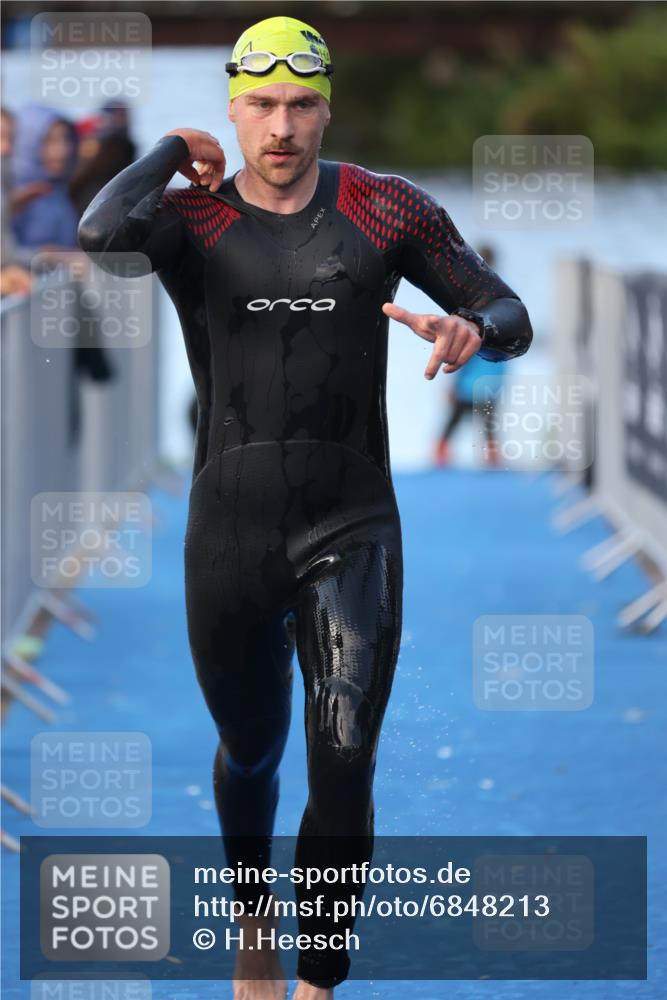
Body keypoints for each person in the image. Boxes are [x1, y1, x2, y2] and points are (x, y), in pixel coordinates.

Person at [78, 15, 533, 999]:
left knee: (345, 751)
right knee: (252, 752)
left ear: (327, 110)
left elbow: (510, 314)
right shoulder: (190, 217)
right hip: (229, 534)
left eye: (300, 105)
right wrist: (170, 147)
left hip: (351, 524)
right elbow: (100, 232)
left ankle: (319, 980)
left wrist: (471, 327)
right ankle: (254, 920)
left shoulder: (383, 206)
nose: (280, 127)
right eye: (260, 105)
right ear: (233, 110)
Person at [433, 244, 507, 467]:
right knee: (489, 425)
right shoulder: (505, 294)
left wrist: (452, 382)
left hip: (469, 379)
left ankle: (440, 461)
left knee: (454, 421)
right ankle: (494, 463)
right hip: (492, 378)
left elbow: (464, 341)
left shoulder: (472, 297)